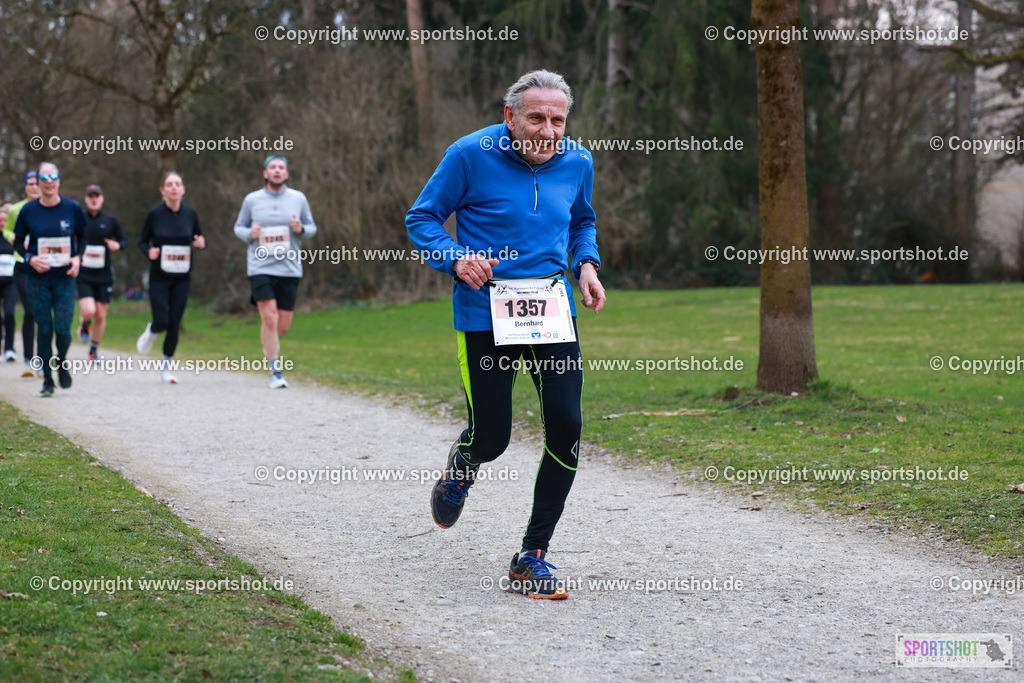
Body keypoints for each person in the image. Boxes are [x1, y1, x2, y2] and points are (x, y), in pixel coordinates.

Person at [406, 69, 606, 599]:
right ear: (509, 117)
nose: (547, 131)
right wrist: (456, 258)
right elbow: (422, 218)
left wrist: (586, 265)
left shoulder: (578, 161)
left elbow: (581, 221)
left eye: (558, 120)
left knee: (566, 425)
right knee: (492, 438)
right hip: (484, 311)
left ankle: (532, 556)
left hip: (552, 310)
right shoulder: (468, 155)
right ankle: (463, 464)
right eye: (536, 118)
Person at [233, 156, 317, 388]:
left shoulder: (298, 198)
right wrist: (250, 233)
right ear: (265, 173)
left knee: (282, 326)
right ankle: (275, 371)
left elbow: (312, 227)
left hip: (289, 268)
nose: (277, 171)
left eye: (281, 168)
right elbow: (239, 227)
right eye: (273, 167)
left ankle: (269, 344)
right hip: (259, 266)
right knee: (269, 319)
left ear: (287, 174)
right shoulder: (252, 200)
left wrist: (301, 229)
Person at [13, 162, 86, 396]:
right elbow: (17, 242)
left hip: (64, 278)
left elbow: (83, 237)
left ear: (59, 181)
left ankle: (62, 361)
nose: (49, 182)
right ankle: (47, 380)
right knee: (44, 329)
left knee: (63, 330)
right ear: (38, 183)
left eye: (53, 177)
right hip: (38, 279)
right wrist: (30, 258)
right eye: (44, 178)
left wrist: (78, 258)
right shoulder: (29, 211)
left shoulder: (72, 208)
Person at [135, 172, 205, 384]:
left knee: (174, 322)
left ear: (183, 189)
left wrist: (201, 243)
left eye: (177, 184)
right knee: (161, 320)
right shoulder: (155, 214)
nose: (174, 187)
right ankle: (151, 331)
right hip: (159, 276)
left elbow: (198, 237)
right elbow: (142, 241)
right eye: (169, 184)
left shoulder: (190, 214)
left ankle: (165, 369)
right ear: (163, 190)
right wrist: (149, 251)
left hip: (182, 277)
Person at [76, 184, 127, 361]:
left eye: (96, 196)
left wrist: (118, 245)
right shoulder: (79, 218)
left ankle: (94, 349)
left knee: (100, 314)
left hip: (103, 274)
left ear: (102, 199)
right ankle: (85, 323)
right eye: (90, 196)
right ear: (86, 199)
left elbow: (124, 241)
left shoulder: (110, 220)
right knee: (89, 310)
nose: (94, 199)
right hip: (84, 273)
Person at [3, 172, 42, 376]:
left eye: (37, 183)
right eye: (30, 184)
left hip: (45, 266)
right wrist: (13, 238)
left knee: (43, 313)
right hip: (22, 265)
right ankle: (29, 361)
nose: (34, 187)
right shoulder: (16, 209)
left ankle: (43, 358)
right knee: (31, 311)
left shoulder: (49, 208)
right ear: (25, 187)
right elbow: (7, 230)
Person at [0, 202, 16, 362]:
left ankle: (9, 349)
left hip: (11, 282)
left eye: (5, 221)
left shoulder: (13, 238)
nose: (2, 223)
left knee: (9, 313)